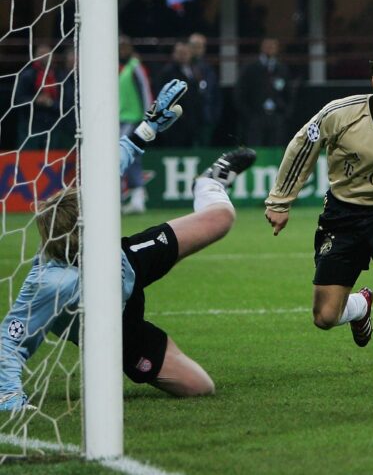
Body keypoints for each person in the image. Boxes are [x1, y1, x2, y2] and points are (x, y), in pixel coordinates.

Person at [0, 79, 257, 412]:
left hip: (126, 263)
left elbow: (116, 163)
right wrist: (8, 394)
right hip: (115, 326)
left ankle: (209, 182)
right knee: (199, 387)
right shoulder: (50, 283)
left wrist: (149, 127)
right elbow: (10, 338)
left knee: (221, 219)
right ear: (81, 234)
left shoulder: (88, 216)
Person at [265, 48, 373, 384]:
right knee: (325, 316)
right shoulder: (340, 113)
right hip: (342, 213)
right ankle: (360, 306)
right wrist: (280, 201)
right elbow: (304, 145)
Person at [118, 36, 153, 214]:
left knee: (125, 153)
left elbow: (145, 90)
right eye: (119, 47)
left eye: (125, 47)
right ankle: (137, 197)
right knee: (130, 155)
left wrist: (148, 117)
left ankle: (135, 196)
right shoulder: (119, 68)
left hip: (133, 118)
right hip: (120, 119)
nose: (122, 50)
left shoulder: (135, 66)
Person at [235, 37, 292, 146]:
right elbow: (240, 94)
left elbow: (288, 95)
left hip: (276, 118)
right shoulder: (250, 68)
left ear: (277, 48)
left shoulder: (282, 69)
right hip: (255, 118)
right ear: (262, 47)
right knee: (255, 150)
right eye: (267, 45)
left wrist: (284, 114)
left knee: (276, 150)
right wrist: (249, 116)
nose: (270, 48)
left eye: (273, 46)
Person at [154, 41, 200, 148]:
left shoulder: (195, 69)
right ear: (174, 54)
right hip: (175, 121)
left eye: (185, 53)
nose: (183, 56)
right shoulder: (167, 72)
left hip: (192, 119)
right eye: (180, 53)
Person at [189, 33, 222, 146]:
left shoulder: (209, 69)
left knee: (205, 145)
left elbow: (215, 93)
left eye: (200, 46)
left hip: (206, 115)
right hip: (188, 117)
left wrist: (214, 115)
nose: (197, 49)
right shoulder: (184, 66)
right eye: (194, 46)